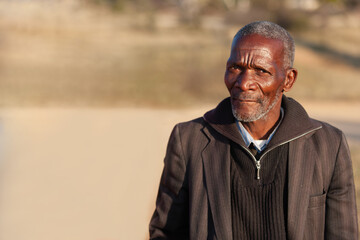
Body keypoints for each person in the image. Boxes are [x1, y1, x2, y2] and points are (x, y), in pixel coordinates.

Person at [149, 21, 358, 239]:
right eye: (235, 68)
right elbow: (166, 232)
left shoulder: (328, 145)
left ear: (288, 79)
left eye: (261, 71)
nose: (244, 82)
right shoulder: (189, 141)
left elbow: (343, 234)